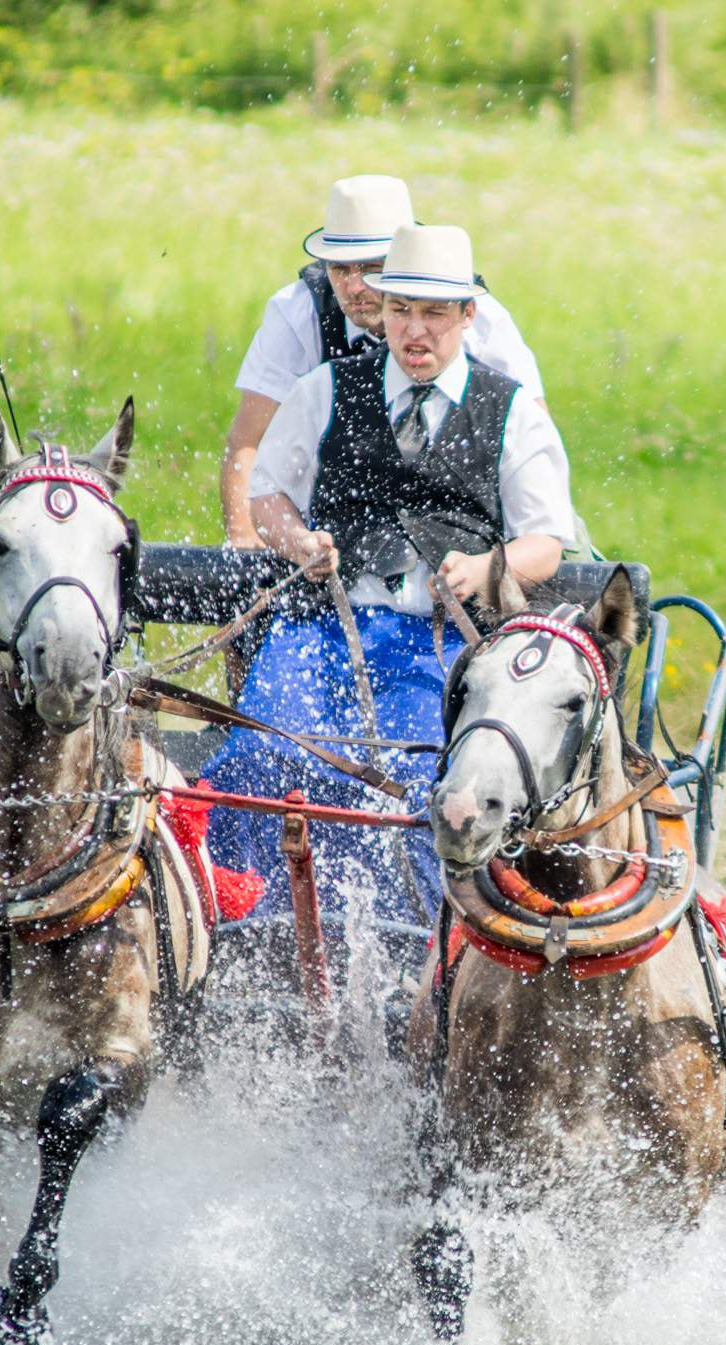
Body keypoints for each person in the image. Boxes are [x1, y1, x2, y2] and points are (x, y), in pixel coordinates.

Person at [201, 223, 577, 929]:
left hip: (435, 643)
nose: (416, 331)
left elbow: (546, 542)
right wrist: (298, 540)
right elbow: (268, 496)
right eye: (402, 310)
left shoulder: (512, 411)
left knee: (411, 782)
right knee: (260, 756)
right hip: (319, 626)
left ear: (468, 316)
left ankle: (409, 946)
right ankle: (244, 927)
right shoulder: (322, 391)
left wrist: (488, 567)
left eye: (435, 313)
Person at [220, 176, 547, 549]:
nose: (355, 287)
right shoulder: (298, 311)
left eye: (371, 267)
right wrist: (246, 546)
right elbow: (249, 441)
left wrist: (527, 553)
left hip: (472, 514)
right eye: (340, 270)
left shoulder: (479, 316)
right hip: (338, 519)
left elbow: (535, 436)